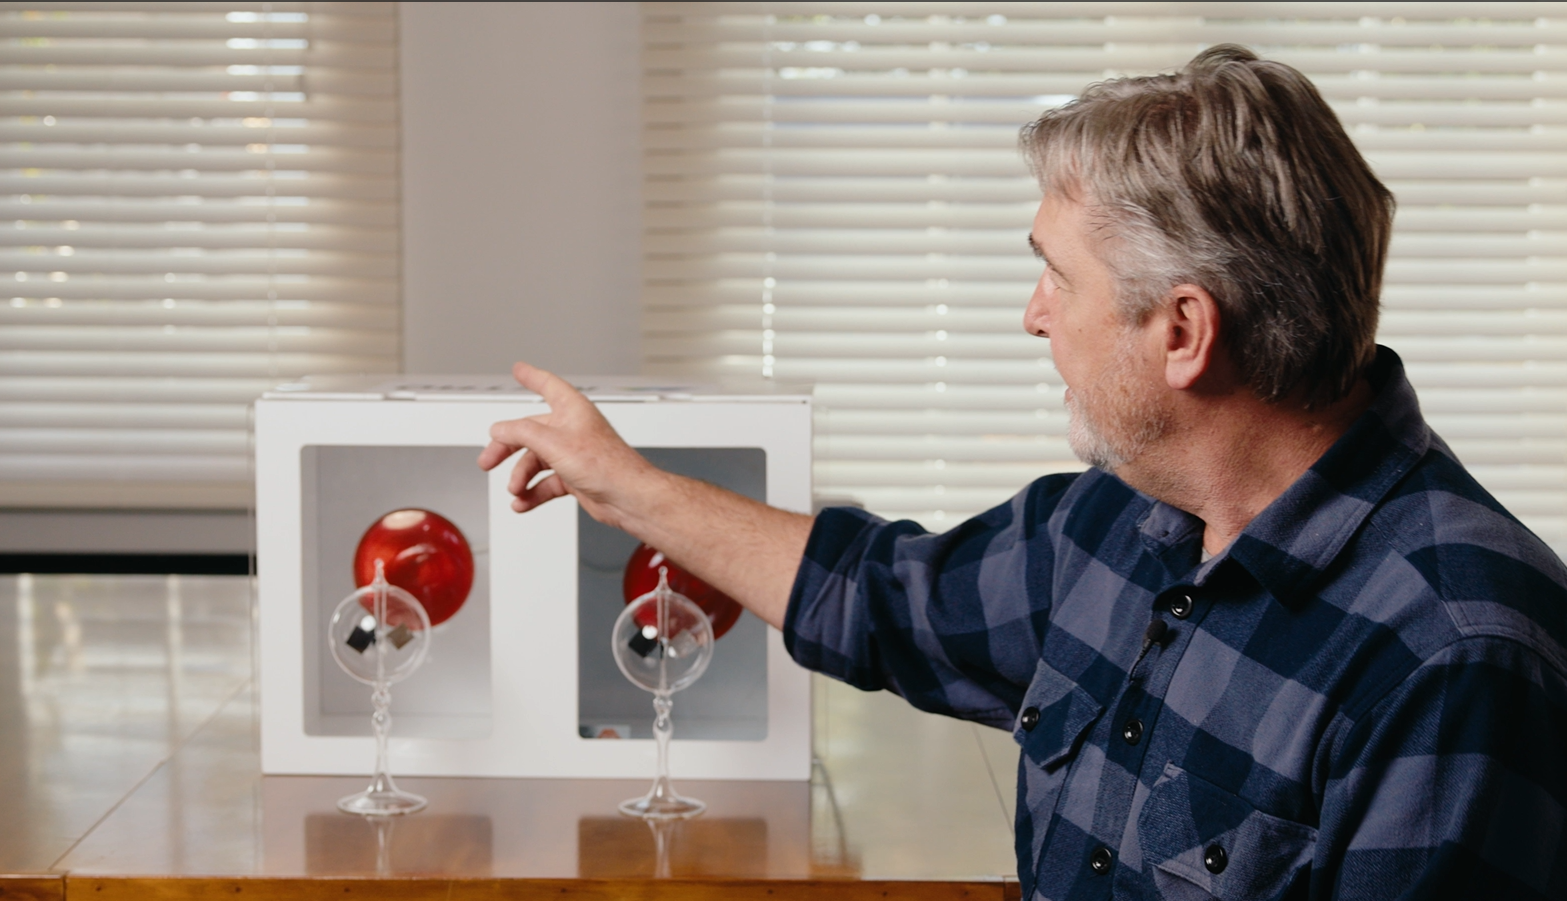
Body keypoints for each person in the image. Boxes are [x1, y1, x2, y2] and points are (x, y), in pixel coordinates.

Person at [479, 45, 1567, 901]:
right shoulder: (1120, 521)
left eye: (1058, 276)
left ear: (1182, 332)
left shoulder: (1457, 659)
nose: (1033, 314)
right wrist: (621, 484)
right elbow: (878, 596)